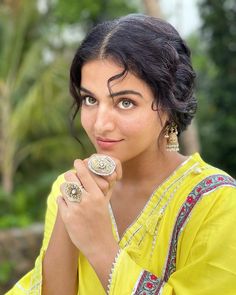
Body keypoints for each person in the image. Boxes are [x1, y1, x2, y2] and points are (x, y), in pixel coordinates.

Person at [6, 14, 236, 295]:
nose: (100, 123)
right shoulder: (70, 190)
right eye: (90, 99)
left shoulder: (217, 203)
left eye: (125, 102)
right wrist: (72, 212)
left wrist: (100, 244)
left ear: (168, 104)